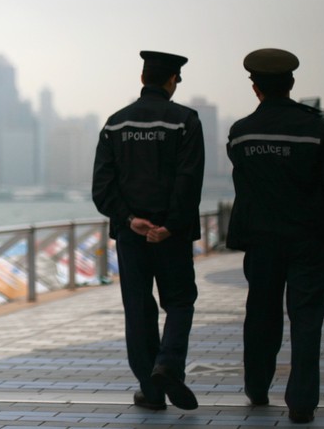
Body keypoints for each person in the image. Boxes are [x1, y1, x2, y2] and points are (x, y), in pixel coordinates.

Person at [226, 48, 324, 424]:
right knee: (306, 317)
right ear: (292, 83)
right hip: (309, 240)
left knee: (261, 314)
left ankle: (257, 385)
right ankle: (301, 402)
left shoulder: (240, 133)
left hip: (262, 240)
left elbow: (244, 185)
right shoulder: (315, 129)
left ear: (255, 88)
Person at [92, 50, 204, 411]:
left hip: (132, 235)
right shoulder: (185, 121)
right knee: (181, 301)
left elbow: (102, 187)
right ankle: (168, 364)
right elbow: (189, 180)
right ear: (172, 80)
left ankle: (151, 390)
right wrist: (169, 226)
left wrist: (129, 219)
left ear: (143, 78)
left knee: (138, 308)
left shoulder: (115, 124)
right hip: (172, 236)